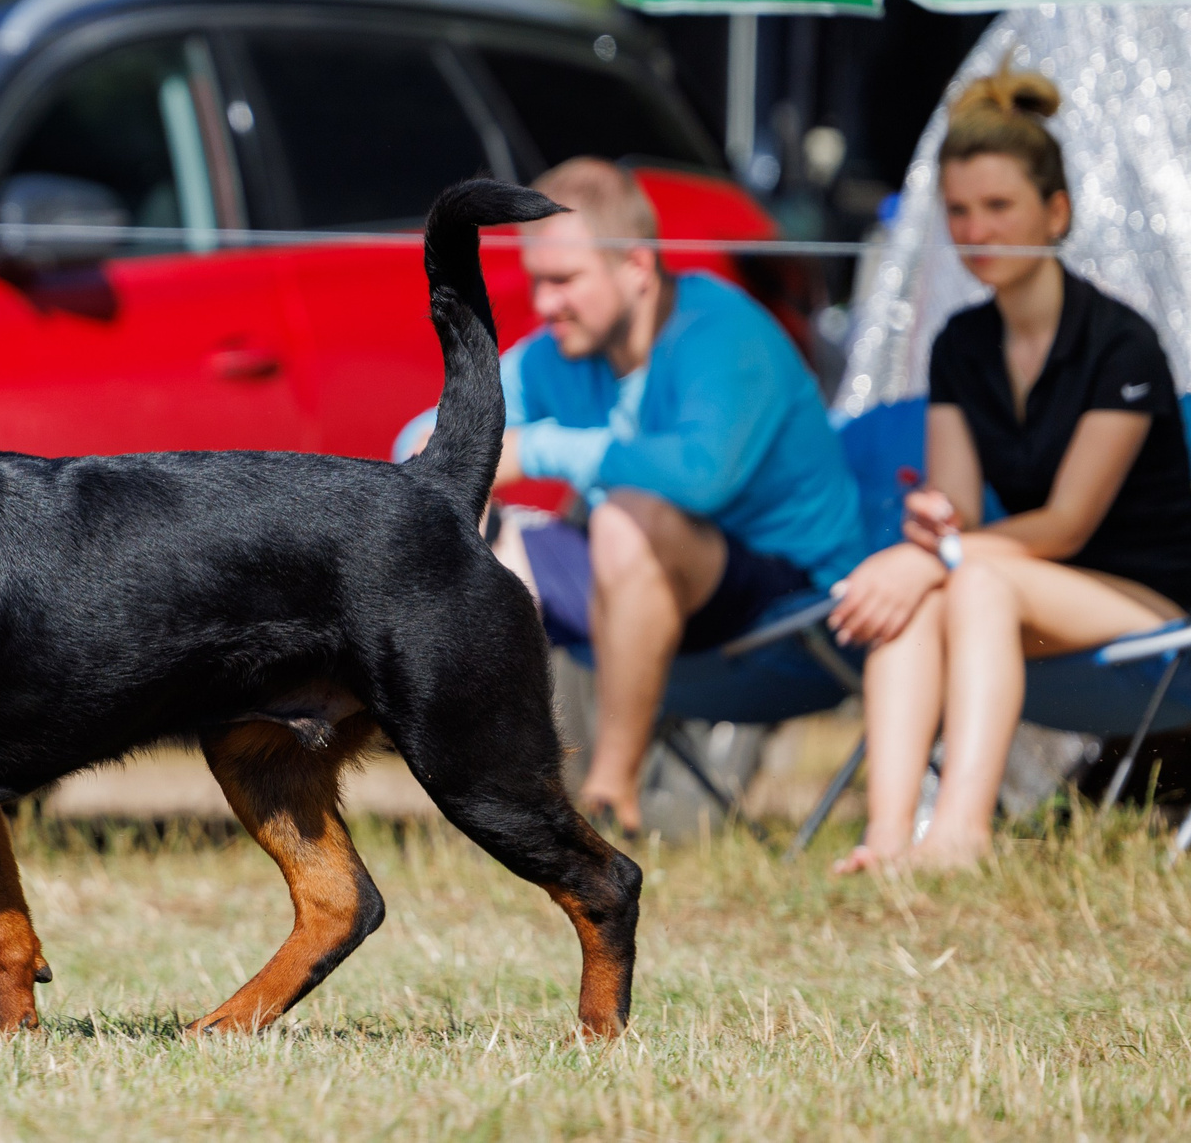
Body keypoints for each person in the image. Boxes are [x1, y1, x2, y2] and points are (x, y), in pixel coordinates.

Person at [829, 71, 1191, 873]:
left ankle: (961, 834)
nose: (977, 231)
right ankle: (888, 840)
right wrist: (936, 528)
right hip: (1034, 582)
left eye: (999, 209)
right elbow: (959, 507)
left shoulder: (1120, 344)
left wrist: (929, 554)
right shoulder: (961, 344)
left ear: (1055, 214)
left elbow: (1067, 524)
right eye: (959, 211)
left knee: (965, 582)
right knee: (929, 591)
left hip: (1149, 602)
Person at [475, 158, 865, 835]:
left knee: (629, 519)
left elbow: (699, 476)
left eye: (563, 281)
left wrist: (534, 449)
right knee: (468, 547)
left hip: (793, 608)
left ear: (636, 267)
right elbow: (430, 430)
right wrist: (465, 475)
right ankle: (493, 793)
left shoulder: (723, 333)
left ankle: (606, 796)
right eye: (536, 281)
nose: (542, 305)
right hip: (644, 594)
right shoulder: (560, 350)